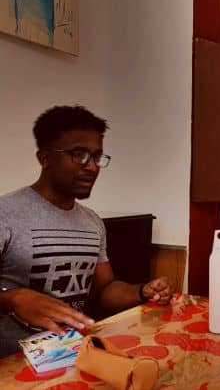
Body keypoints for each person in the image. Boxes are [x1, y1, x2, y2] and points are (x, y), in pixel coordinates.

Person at [0, 105, 173, 357]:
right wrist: (12, 299)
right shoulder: (6, 213)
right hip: (13, 365)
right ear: (44, 158)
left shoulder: (92, 222)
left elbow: (104, 290)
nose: (91, 166)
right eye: (78, 154)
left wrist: (141, 291)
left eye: (96, 156)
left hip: (74, 355)